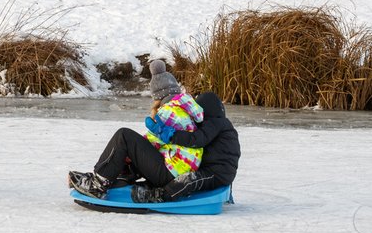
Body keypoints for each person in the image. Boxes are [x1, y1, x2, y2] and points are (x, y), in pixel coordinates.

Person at [67, 60, 204, 199]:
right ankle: (119, 177)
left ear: (157, 96)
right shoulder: (186, 107)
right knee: (131, 147)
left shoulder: (169, 111)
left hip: (171, 174)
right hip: (182, 171)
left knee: (124, 136)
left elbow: (151, 142)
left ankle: (98, 183)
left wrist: (127, 152)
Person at [132, 91, 241, 203]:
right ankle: (150, 186)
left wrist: (171, 135)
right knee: (187, 176)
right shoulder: (223, 125)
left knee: (189, 180)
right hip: (222, 171)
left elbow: (196, 139)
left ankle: (159, 196)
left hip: (216, 172)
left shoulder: (215, 123)